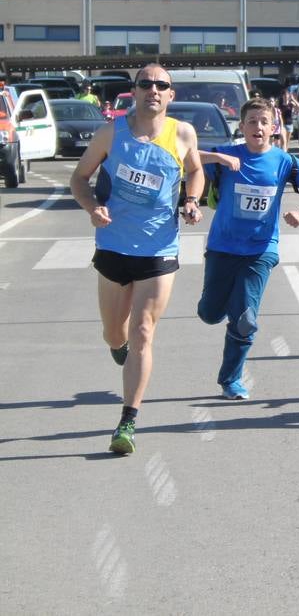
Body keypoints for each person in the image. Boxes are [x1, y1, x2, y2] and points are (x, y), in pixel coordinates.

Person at [69, 65, 205, 455]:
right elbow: (79, 180)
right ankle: (118, 347)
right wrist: (92, 207)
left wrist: (192, 201)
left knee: (143, 330)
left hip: (159, 249)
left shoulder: (182, 133)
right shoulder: (111, 132)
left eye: (161, 85)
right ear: (134, 91)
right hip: (113, 246)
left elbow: (195, 171)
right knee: (117, 333)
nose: (153, 90)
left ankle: (127, 420)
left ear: (170, 95)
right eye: (146, 83)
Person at [196, 99, 299, 399]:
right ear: (242, 127)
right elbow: (184, 156)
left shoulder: (283, 161)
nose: (258, 126)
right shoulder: (229, 154)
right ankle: (217, 307)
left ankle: (231, 380)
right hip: (223, 247)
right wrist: (216, 158)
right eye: (252, 121)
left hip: (260, 250)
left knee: (245, 321)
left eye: (263, 121)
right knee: (209, 313)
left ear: (273, 127)